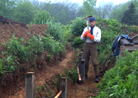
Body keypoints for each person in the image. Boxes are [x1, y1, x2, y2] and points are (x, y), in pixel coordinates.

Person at [80, 17, 101, 83]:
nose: (91, 23)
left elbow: (98, 40)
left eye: (93, 21)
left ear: (95, 22)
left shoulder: (97, 29)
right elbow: (81, 38)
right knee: (85, 61)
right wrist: (85, 34)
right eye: (90, 22)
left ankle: (97, 76)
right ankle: (85, 75)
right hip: (86, 45)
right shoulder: (86, 29)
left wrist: (91, 36)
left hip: (93, 45)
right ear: (89, 22)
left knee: (95, 61)